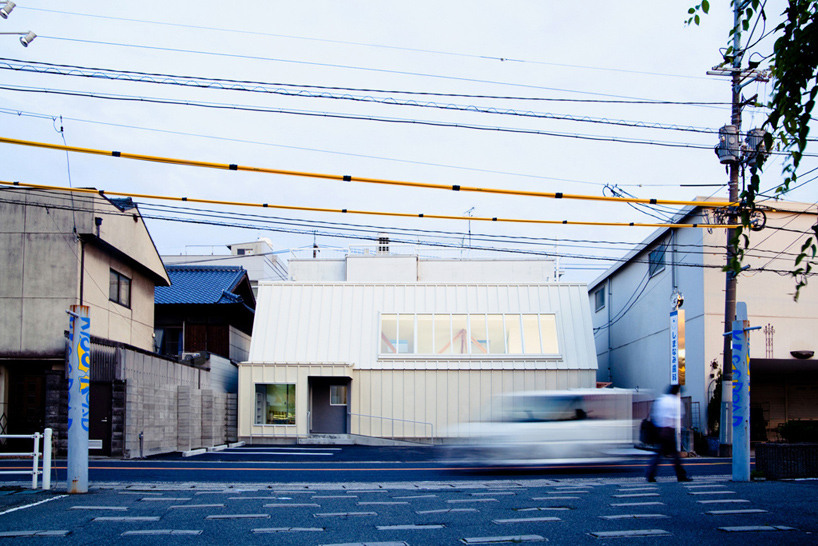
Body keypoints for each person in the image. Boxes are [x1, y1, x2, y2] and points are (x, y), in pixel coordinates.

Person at [645, 384, 691, 482]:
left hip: (658, 430)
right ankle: (681, 475)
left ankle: (650, 475)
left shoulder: (660, 400)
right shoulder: (676, 402)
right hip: (669, 431)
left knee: (659, 454)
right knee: (674, 455)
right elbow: (678, 419)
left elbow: (654, 416)